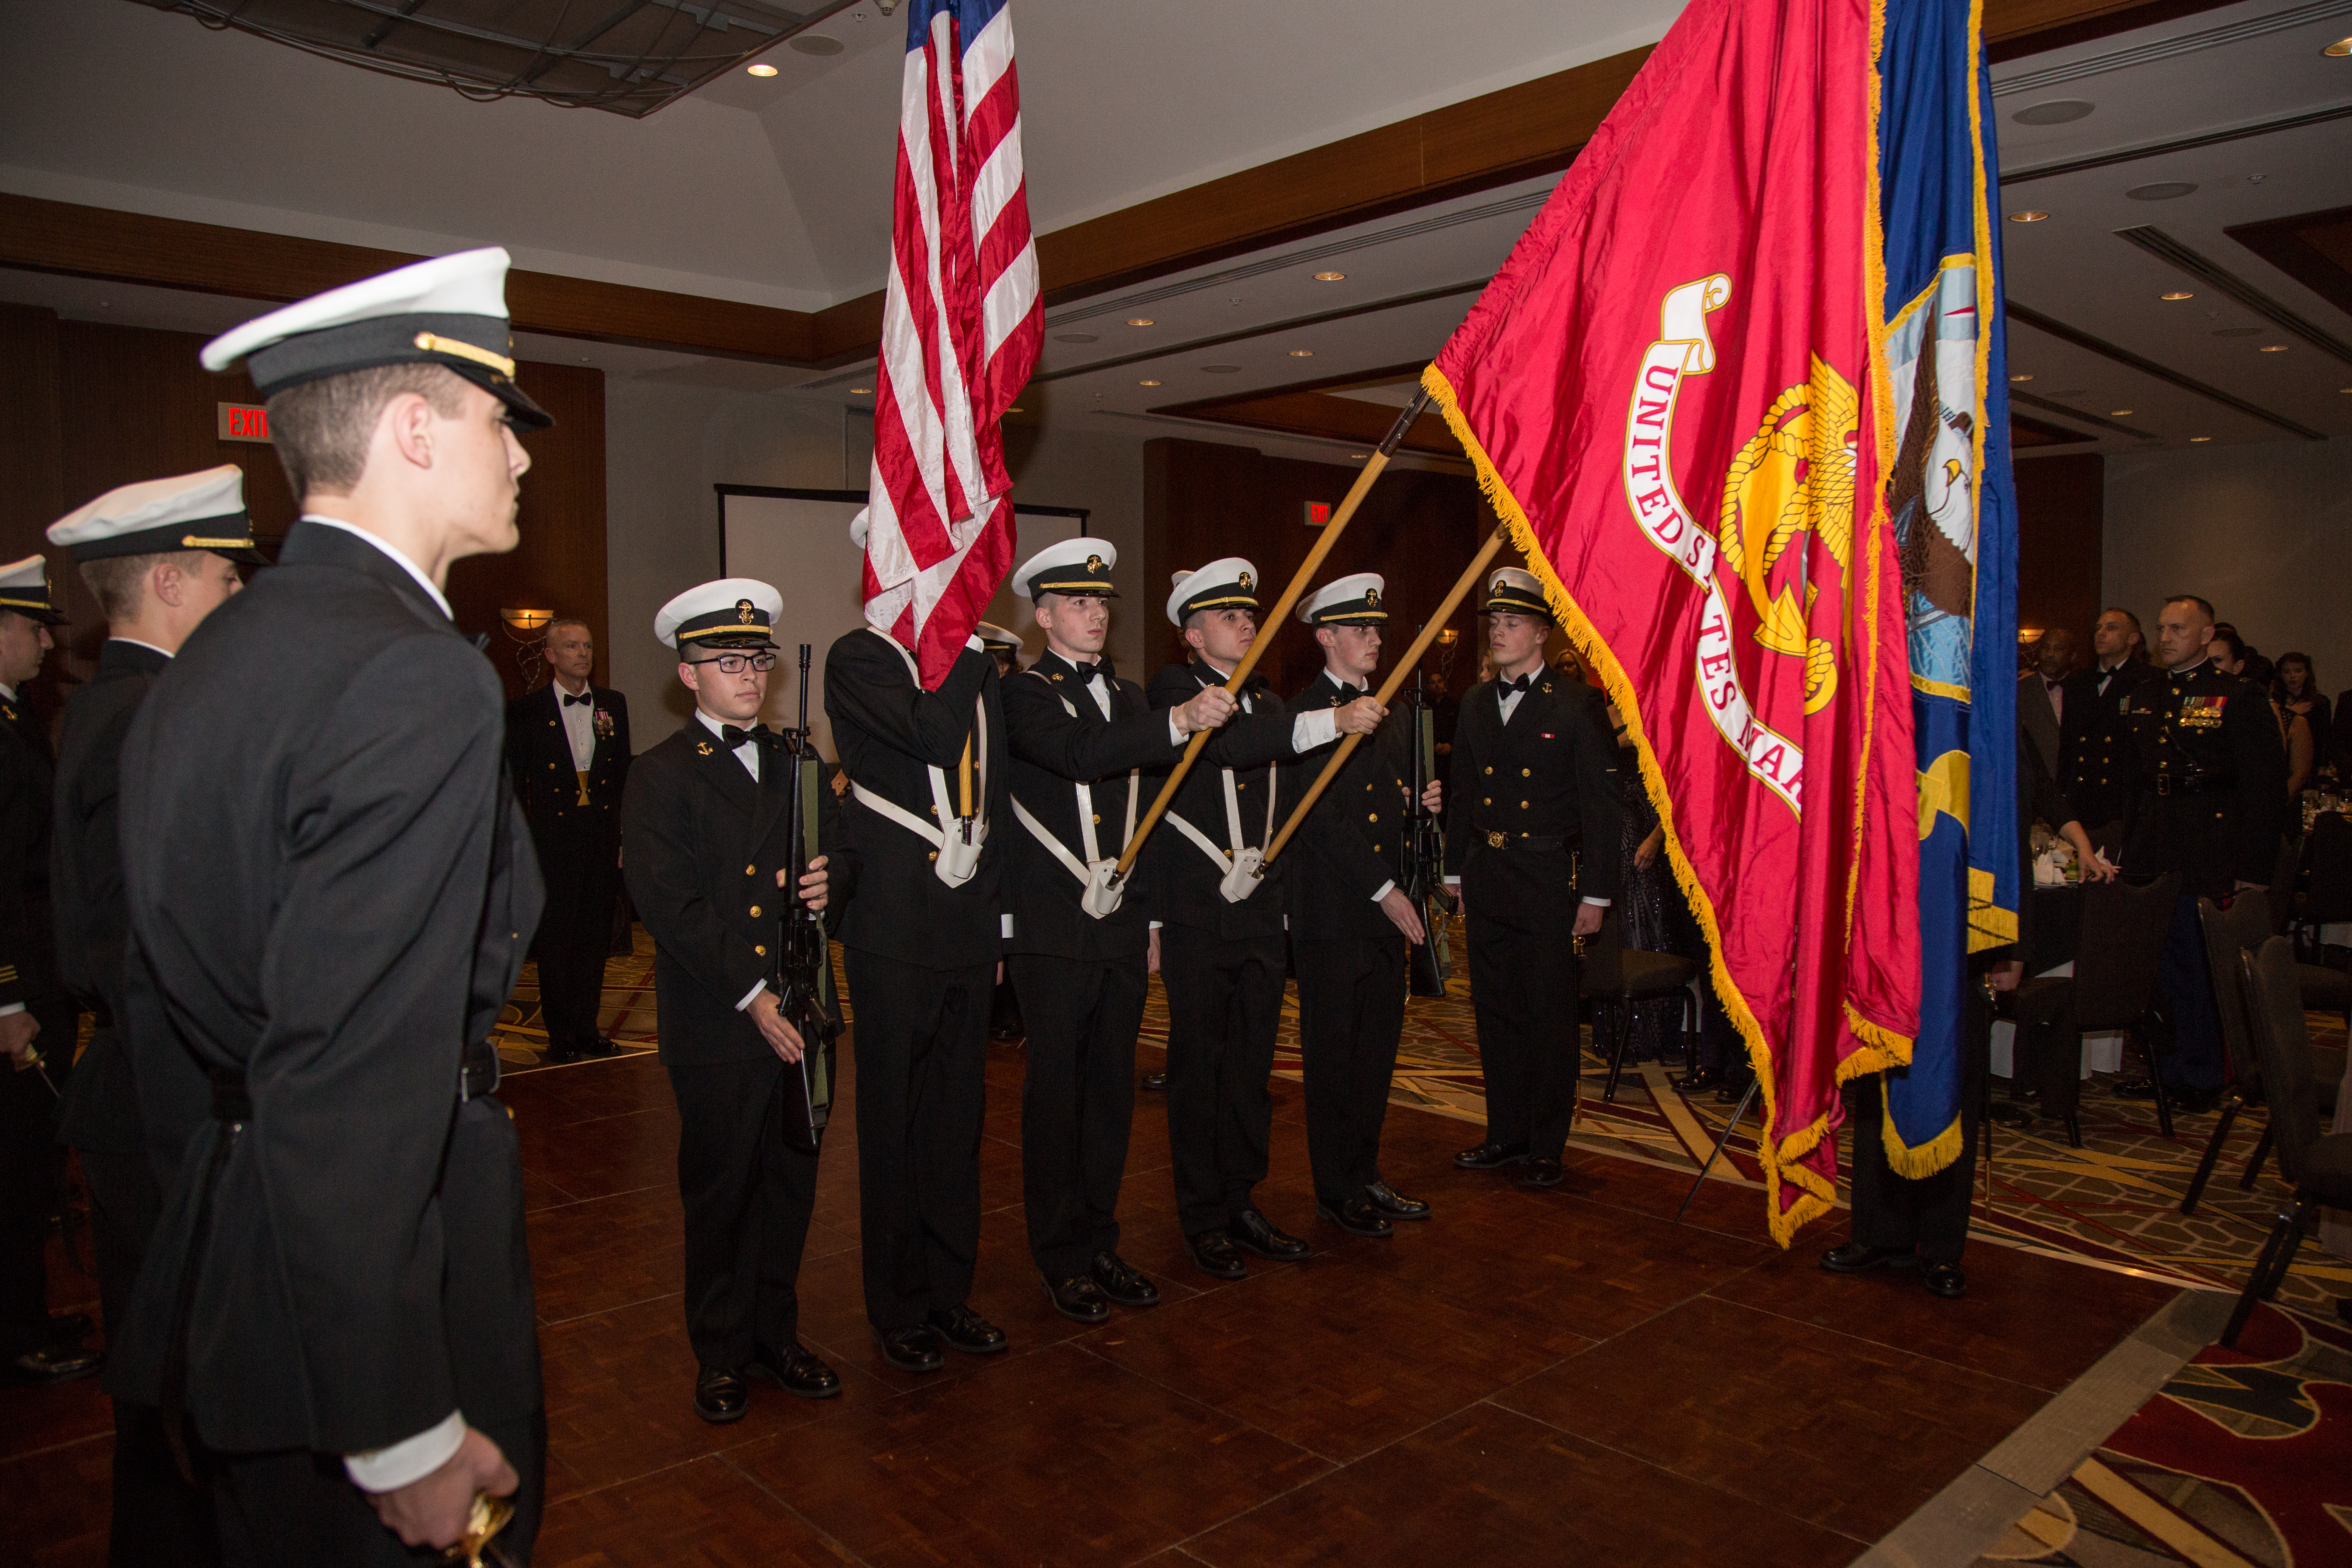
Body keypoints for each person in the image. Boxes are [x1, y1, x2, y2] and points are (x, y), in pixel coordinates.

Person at [113, 247, 551, 1564]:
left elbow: (185, 1002)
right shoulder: (414, 672)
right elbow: (354, 1068)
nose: (520, 456)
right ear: (413, 429)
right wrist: (401, 1427)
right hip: (373, 1290)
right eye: (496, 421)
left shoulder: (215, 652)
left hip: (244, 1264)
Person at [46, 466, 261, 1563]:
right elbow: (152, 946)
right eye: (227, 576)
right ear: (172, 580)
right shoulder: (153, 715)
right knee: (187, 1379)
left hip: (135, 1087)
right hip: (167, 1098)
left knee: (161, 1369)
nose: (240, 595)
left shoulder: (110, 701)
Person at [622, 580, 849, 1424]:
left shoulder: (797, 761)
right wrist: (752, 996)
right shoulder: (661, 772)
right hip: (722, 1015)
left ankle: (775, 1336)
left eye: (757, 659)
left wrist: (831, 880)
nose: (749, 674)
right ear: (688, 674)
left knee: (790, 1182)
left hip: (802, 1002)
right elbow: (669, 901)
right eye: (728, 661)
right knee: (722, 1189)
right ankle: (720, 1350)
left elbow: (842, 851)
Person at [999, 539, 1237, 1321]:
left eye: (1100, 601)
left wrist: (1156, 916)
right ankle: (1058, 1254)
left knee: (1108, 1092)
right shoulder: (1023, 694)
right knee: (1056, 1093)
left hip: (1124, 921)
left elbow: (1151, 816)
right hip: (1054, 924)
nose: (1094, 613)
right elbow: (1079, 755)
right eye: (1076, 602)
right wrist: (1176, 719)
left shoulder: (1129, 695)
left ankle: (1099, 1238)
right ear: (1042, 616)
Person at [1146, 560, 1380, 1279]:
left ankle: (1240, 1199)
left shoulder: (1268, 700)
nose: (1246, 623)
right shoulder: (1175, 690)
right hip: (1196, 912)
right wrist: (1330, 720)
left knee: (1250, 1069)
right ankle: (1201, 1215)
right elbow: (1232, 747)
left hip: (1257, 911)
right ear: (1192, 635)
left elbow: (1287, 785)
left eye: (1248, 614)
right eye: (1228, 616)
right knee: (1200, 1069)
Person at [824, 534, 1011, 1374]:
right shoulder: (860, 659)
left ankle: (948, 1291)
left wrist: (999, 923)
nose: (942, 581)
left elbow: (992, 792)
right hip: (894, 927)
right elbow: (933, 738)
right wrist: (966, 645)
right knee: (894, 1120)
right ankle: (898, 1304)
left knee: (955, 1119)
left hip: (966, 923)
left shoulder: (976, 667)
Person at [1443, 569, 1621, 1188]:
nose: (1498, 632)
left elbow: (1602, 807)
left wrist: (1595, 893)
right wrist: (1452, 871)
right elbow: (1463, 793)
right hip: (1488, 872)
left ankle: (1546, 1143)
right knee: (1494, 1009)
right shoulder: (1474, 702)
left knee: (1547, 1013)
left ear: (1542, 633)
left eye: (1512, 622)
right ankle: (1505, 1132)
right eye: (1494, 622)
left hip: (1547, 877)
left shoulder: (1574, 703)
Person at [1286, 573, 1440, 1236]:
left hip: (1385, 908)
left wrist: (1418, 804)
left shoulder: (1393, 711)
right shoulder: (1303, 716)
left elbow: (1381, 803)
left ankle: (1364, 1171)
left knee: (1376, 1052)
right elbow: (1319, 816)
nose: (1373, 638)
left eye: (1376, 628)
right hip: (1336, 910)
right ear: (1325, 637)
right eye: (1358, 629)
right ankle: (1335, 1187)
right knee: (1333, 1058)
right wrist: (1384, 888)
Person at [2113, 594, 2288, 1112]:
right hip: (2153, 842)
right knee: (2154, 965)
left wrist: (2254, 869)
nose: (2165, 638)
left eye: (2178, 629)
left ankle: (2203, 1073)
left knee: (2197, 965)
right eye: (2162, 629)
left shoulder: (2237, 696)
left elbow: (2264, 790)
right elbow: (2132, 780)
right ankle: (2165, 1067)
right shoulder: (2144, 694)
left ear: (2207, 635)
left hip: (2207, 845)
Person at [0, 553, 98, 1387]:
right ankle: (17, 1333)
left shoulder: (13, 714)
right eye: (33, 628)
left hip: (37, 969)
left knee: (31, 1161)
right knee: (17, 1162)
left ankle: (26, 1312)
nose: (45, 643)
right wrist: (6, 1000)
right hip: (18, 985)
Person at [507, 619, 630, 1064]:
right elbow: (513, 783)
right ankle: (560, 1035)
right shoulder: (526, 710)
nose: (582, 653)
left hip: (600, 836)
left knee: (595, 938)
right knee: (557, 938)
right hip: (550, 841)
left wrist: (623, 836)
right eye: (572, 646)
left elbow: (621, 775)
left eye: (588, 646)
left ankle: (587, 1029)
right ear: (550, 655)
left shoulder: (612, 704)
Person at [2059, 607, 2155, 840]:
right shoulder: (2077, 682)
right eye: (2099, 628)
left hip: (2122, 803)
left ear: (2133, 638)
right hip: (2080, 800)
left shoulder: (2150, 682)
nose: (2101, 633)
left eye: (2112, 628)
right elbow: (2068, 747)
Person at [2018, 627, 2076, 778]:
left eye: (2058, 649)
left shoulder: (2083, 689)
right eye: (2046, 647)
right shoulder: (2020, 691)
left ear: (2072, 657)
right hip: (2034, 782)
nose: (2050, 654)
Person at [2272, 653, 2328, 776]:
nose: (2293, 676)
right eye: (2287, 672)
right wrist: (2289, 713)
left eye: (2298, 671)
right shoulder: (2275, 700)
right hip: (2282, 760)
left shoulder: (2319, 702)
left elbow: (2324, 738)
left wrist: (2323, 765)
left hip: (2311, 759)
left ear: (2307, 673)